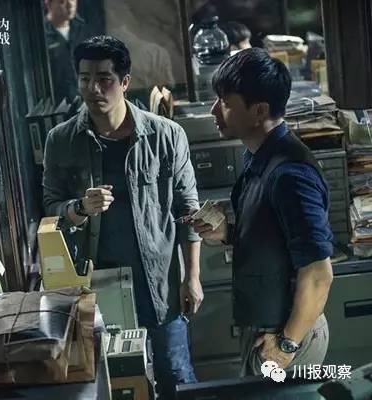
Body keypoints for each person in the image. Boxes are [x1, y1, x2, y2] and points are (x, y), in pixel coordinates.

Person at [42, 35, 202, 396]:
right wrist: (79, 208)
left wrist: (192, 276)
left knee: (176, 378)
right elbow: (51, 208)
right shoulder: (61, 140)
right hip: (98, 290)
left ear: (125, 82)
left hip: (160, 287)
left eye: (104, 79)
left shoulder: (166, 135)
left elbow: (187, 211)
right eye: (85, 79)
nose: (93, 89)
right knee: (114, 386)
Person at [191, 48, 333, 376]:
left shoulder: (290, 175)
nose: (214, 110)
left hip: (285, 335)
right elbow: (273, 237)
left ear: (259, 111)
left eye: (225, 102)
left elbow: (318, 273)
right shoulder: (258, 156)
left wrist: (286, 346)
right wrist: (228, 232)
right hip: (265, 328)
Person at [44, 0, 90, 102]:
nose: (70, 5)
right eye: (62, 1)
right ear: (48, 4)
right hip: (58, 104)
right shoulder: (41, 34)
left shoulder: (83, 27)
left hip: (85, 100)